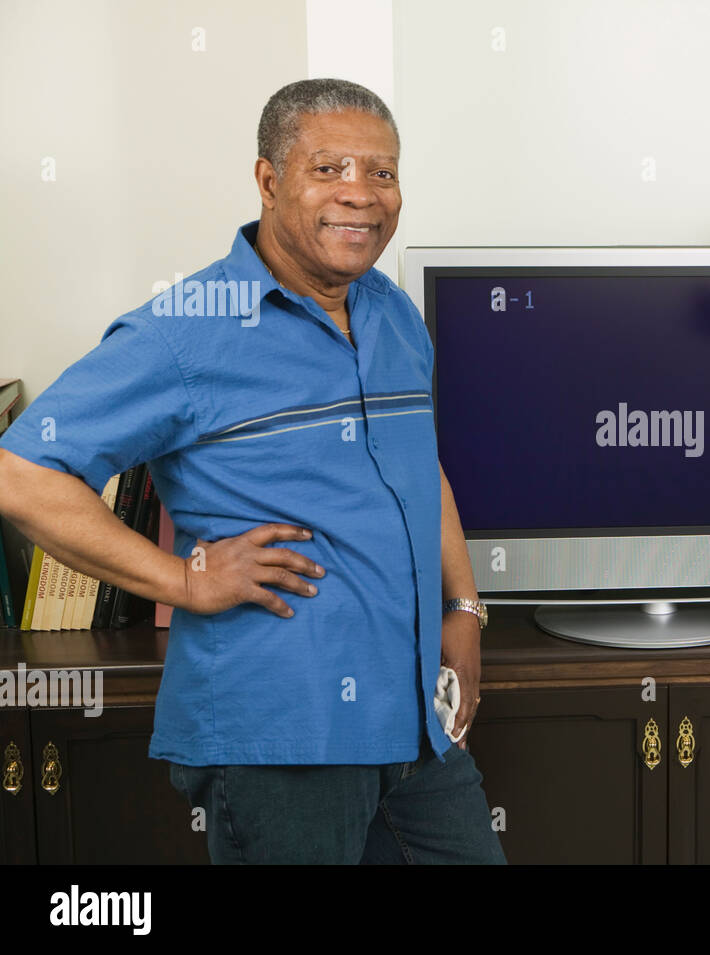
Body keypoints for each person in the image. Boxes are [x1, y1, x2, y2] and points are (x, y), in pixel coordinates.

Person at [0, 78, 506, 864]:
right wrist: (186, 580)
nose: (361, 195)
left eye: (381, 172)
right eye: (329, 169)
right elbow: (19, 473)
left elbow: (417, 464)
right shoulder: (185, 330)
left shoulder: (395, 313)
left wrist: (464, 606)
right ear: (269, 182)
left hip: (414, 726)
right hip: (282, 740)